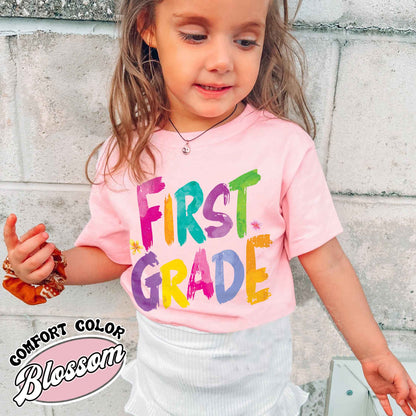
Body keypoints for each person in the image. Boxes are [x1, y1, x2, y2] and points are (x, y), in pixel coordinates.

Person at [3, 0, 416, 415]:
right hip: (163, 390)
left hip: (257, 389)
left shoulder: (284, 148)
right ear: (148, 27)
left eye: (245, 41)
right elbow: (112, 253)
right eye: (196, 36)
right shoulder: (126, 153)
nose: (222, 61)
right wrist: (48, 269)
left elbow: (326, 260)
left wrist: (373, 353)